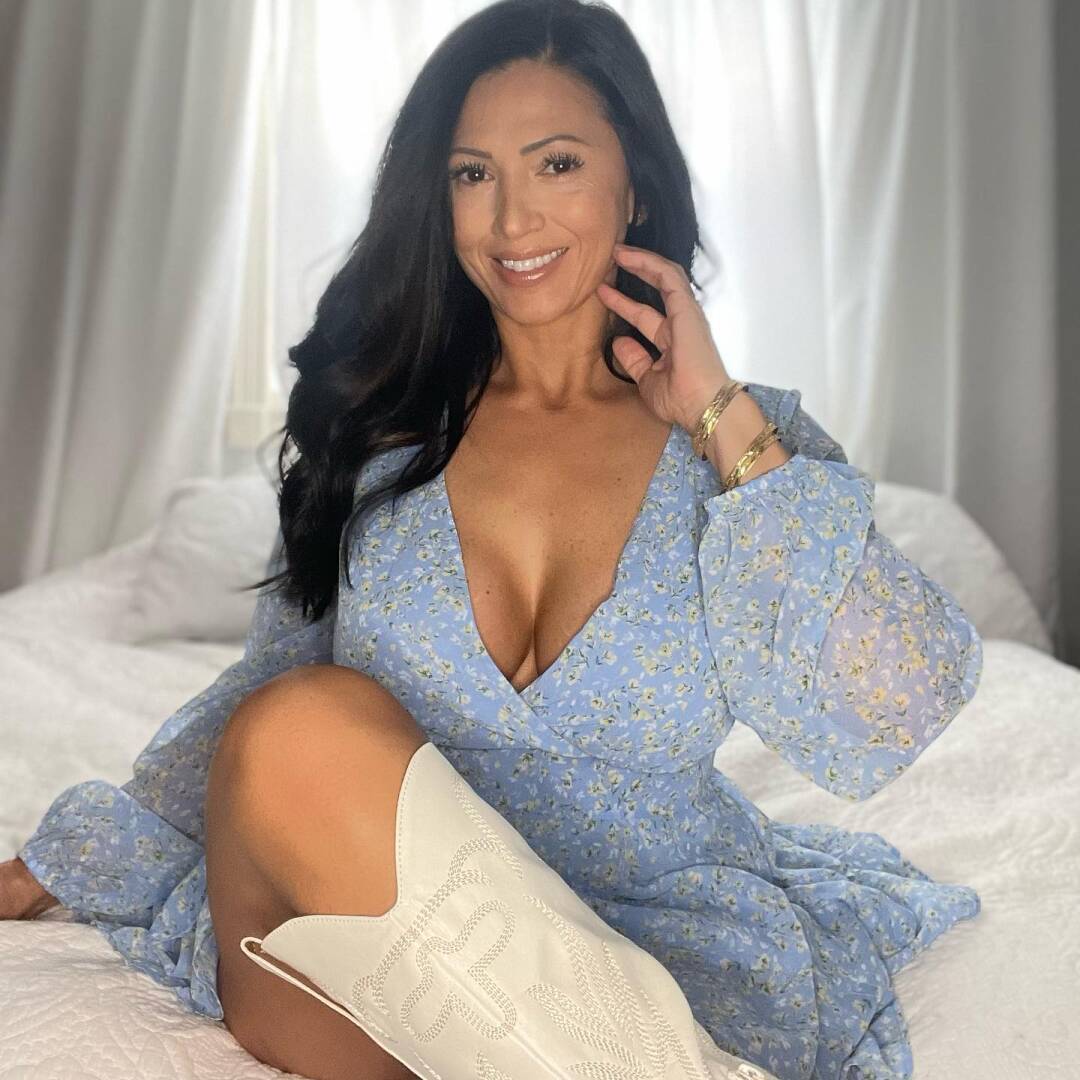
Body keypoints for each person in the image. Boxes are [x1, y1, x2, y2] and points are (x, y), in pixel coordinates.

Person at [1, 1, 984, 1077]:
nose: (513, 219)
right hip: (375, 931)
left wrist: (717, 416)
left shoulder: (747, 451)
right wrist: (72, 857)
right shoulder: (377, 437)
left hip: (648, 947)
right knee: (295, 720)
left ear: (635, 185)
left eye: (556, 163)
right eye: (473, 175)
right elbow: (265, 700)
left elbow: (892, 710)